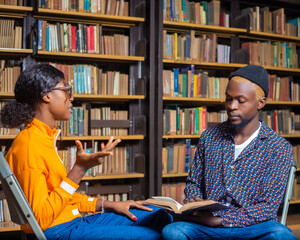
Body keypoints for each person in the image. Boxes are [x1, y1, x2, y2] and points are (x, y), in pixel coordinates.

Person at [1, 64, 172, 240]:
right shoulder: (29, 145)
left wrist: (110, 205)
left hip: (73, 221)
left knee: (161, 215)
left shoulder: (44, 137)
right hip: (58, 230)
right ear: (46, 95)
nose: (71, 97)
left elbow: (63, 199)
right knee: (154, 235)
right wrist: (79, 169)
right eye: (66, 90)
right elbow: (40, 218)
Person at [162, 65, 297, 240]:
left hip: (254, 226)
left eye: (240, 100)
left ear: (260, 103)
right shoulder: (209, 137)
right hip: (206, 224)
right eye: (228, 99)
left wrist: (220, 220)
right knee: (173, 231)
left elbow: (267, 207)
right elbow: (194, 182)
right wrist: (194, 202)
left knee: (281, 235)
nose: (231, 106)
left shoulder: (278, 147)